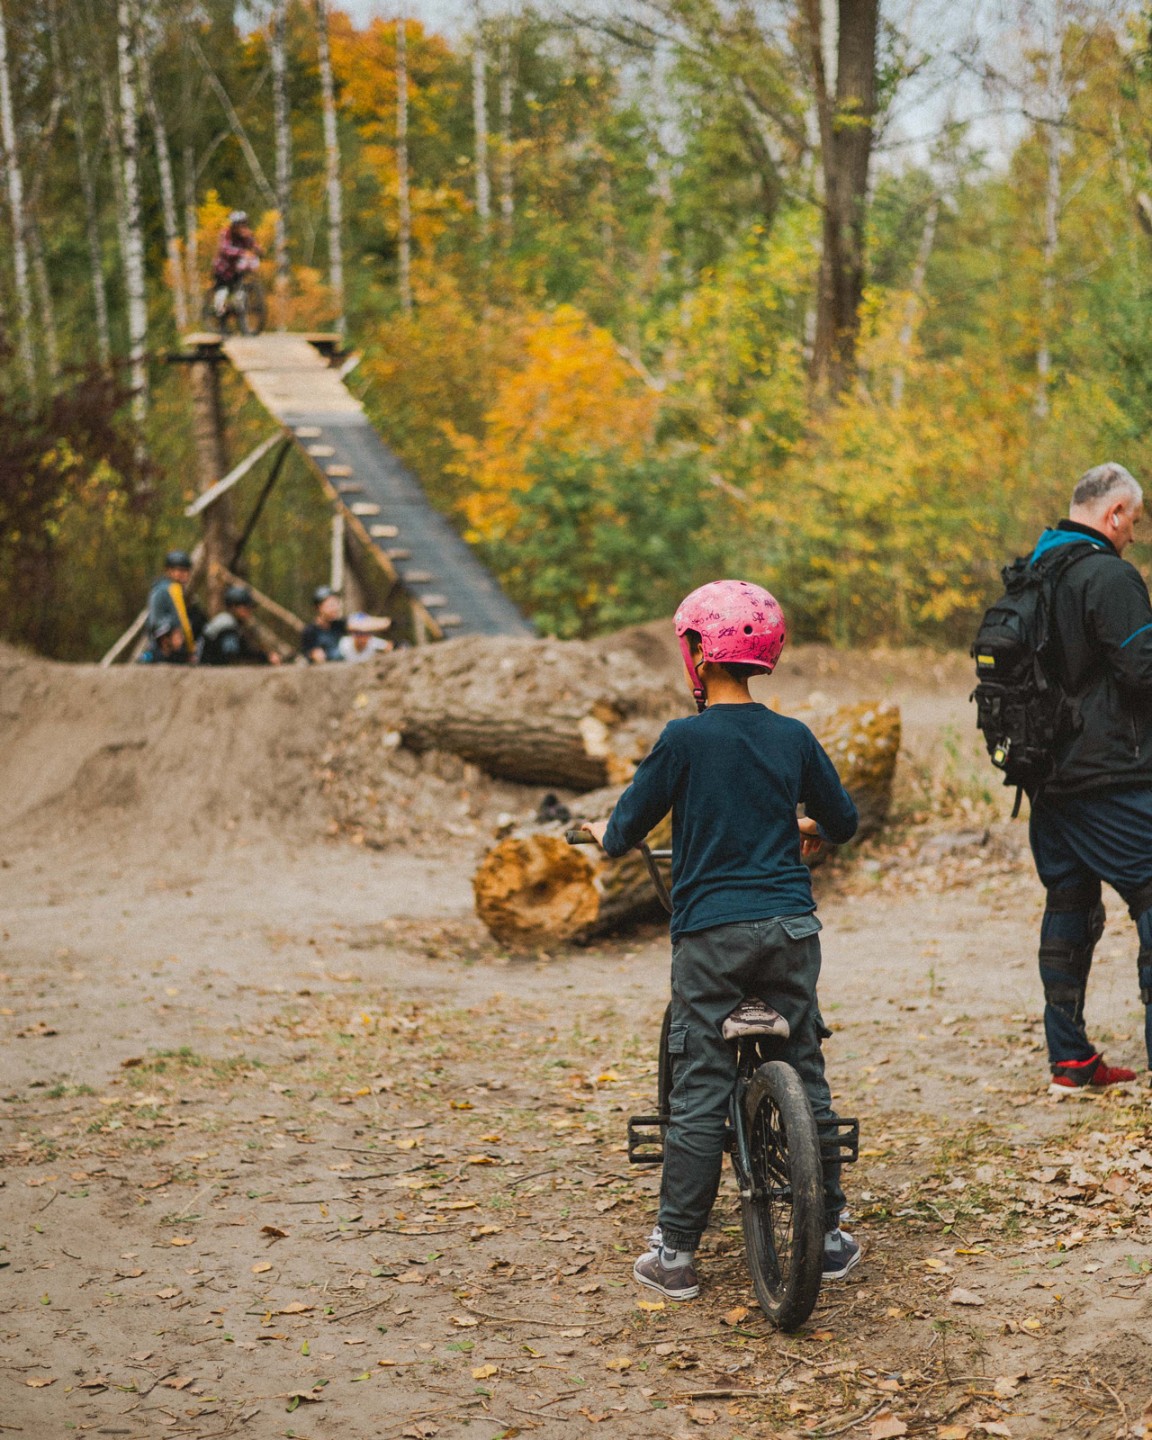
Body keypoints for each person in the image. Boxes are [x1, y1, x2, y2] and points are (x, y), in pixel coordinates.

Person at [580, 579, 859, 1302]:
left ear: (699, 652)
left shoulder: (682, 739)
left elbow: (626, 828)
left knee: (702, 1083)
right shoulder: (793, 737)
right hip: (791, 931)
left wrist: (600, 835)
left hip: (712, 937)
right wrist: (809, 830)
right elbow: (844, 820)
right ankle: (828, 1235)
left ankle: (674, 1252)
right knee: (806, 1063)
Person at [1022, 462, 1152, 1096]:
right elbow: (1143, 673)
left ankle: (1070, 1062)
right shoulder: (1110, 575)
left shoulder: (1030, 574)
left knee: (1069, 908)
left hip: (1044, 780)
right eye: (1135, 518)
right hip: (1111, 779)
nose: (1135, 532)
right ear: (1115, 515)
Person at [198, 584, 281, 667]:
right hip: (206, 667)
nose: (250, 610)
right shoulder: (227, 625)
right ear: (233, 607)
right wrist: (265, 658)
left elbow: (243, 648)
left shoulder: (230, 621)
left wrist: (265, 656)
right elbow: (233, 654)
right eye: (246, 607)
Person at [146, 549, 203, 661]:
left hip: (157, 636)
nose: (184, 574)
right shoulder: (173, 588)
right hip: (166, 639)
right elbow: (181, 620)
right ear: (169, 571)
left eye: (186, 571)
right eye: (179, 570)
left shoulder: (159, 587)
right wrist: (191, 649)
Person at [211, 211, 262, 317]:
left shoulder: (246, 234)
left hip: (235, 268)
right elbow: (225, 249)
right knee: (222, 293)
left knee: (239, 291)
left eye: (244, 224)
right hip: (223, 269)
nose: (242, 227)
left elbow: (253, 244)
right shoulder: (226, 234)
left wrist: (259, 250)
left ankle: (239, 306)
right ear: (234, 226)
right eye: (239, 224)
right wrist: (241, 252)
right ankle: (220, 317)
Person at [300, 586, 347, 663]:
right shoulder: (310, 631)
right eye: (331, 605)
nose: (335, 608)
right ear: (319, 607)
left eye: (337, 604)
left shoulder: (340, 625)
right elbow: (309, 654)